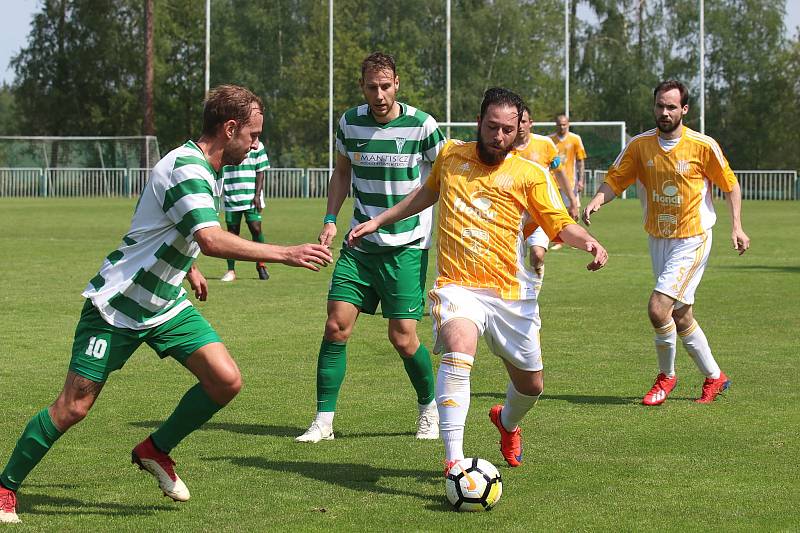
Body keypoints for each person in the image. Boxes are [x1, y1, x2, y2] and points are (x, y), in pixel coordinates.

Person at [0, 85, 332, 524]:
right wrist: (286, 252)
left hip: (165, 302)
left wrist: (188, 266)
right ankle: (5, 488)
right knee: (73, 407)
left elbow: (169, 226)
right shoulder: (187, 167)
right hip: (119, 305)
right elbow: (210, 238)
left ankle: (155, 449)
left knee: (225, 380)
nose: (256, 144)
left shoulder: (206, 167)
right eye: (252, 135)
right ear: (229, 128)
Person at [348, 87, 607, 472]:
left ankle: (507, 422)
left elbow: (559, 223)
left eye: (507, 130)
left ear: (519, 129)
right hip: (458, 286)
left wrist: (588, 242)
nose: (498, 137)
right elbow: (425, 194)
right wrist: (380, 219)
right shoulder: (451, 156)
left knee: (532, 386)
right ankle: (454, 462)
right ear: (479, 121)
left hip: (510, 293)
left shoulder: (529, 174)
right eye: (491, 127)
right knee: (458, 348)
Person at [295, 52, 446, 444]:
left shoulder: (422, 125)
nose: (379, 94)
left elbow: (443, 176)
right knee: (335, 326)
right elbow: (342, 172)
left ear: (397, 83)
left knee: (402, 337)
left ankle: (429, 408)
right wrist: (330, 218)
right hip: (359, 245)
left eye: (385, 86)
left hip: (406, 246)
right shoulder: (349, 122)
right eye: (371, 87)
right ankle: (324, 421)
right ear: (362, 87)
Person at [583, 80, 750, 406]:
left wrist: (738, 227)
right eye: (660, 105)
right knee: (681, 314)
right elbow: (615, 180)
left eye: (671, 107)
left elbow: (730, 185)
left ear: (684, 110)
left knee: (659, 308)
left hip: (693, 237)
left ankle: (666, 376)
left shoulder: (702, 146)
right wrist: (597, 201)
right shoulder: (640, 145)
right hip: (658, 238)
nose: (664, 112)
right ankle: (715, 376)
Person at [513, 104, 577, 281]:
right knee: (510, 263)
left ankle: (534, 286)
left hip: (539, 213)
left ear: (530, 123)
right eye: (516, 121)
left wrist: (573, 200)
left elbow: (560, 172)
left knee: (537, 255)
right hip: (512, 214)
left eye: (523, 121)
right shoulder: (504, 146)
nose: (520, 125)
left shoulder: (545, 144)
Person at [220, 140, 271, 281]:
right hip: (231, 195)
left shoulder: (257, 145)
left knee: (256, 229)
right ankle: (231, 270)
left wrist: (257, 195)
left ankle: (261, 265)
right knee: (232, 233)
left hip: (251, 197)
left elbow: (260, 171)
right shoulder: (226, 144)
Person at [549, 114, 586, 249]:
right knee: (557, 211)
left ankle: (574, 240)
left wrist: (581, 180)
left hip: (570, 181)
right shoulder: (549, 140)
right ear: (556, 124)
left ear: (568, 124)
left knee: (573, 210)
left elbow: (581, 161)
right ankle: (559, 240)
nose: (562, 126)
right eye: (559, 124)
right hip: (553, 182)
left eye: (564, 124)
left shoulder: (575, 139)